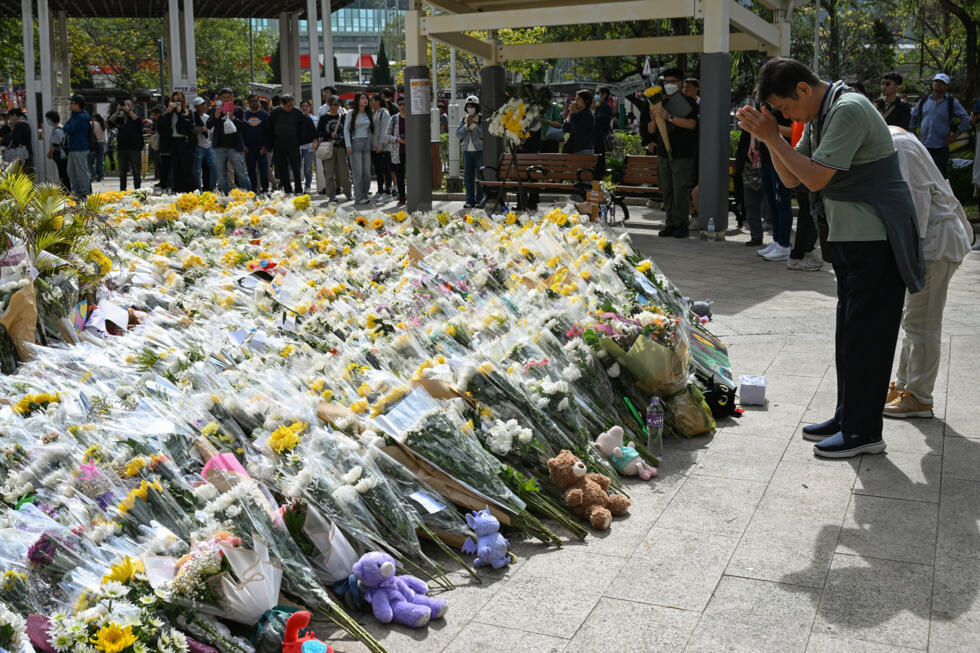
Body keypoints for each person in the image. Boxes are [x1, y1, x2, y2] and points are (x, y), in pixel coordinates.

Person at [737, 57, 925, 459]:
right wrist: (772, 139)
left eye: (786, 108)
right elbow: (792, 178)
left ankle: (864, 432)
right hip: (851, 241)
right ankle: (847, 417)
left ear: (803, 89)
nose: (786, 116)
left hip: (877, 240)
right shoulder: (822, 114)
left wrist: (774, 137)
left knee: (867, 340)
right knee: (849, 337)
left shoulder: (848, 108)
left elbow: (816, 177)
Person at [883, 125, 973, 418]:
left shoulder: (898, 146)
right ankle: (906, 385)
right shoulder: (896, 141)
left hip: (935, 245)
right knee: (914, 318)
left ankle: (920, 397)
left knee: (923, 321)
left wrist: (904, 258)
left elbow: (915, 207)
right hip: (930, 243)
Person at [652, 67, 699, 238]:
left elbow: (692, 124)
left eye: (672, 82)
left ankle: (682, 225)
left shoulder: (689, 102)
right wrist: (654, 117)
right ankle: (670, 223)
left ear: (680, 83)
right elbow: (652, 130)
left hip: (683, 154)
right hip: (664, 153)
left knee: (680, 190)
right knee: (668, 189)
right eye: (666, 82)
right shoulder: (660, 102)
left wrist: (669, 117)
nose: (668, 85)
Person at [910, 73, 970, 178]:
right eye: (936, 81)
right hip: (923, 145)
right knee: (922, 175)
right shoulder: (924, 101)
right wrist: (914, 134)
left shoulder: (951, 103)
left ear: (946, 86)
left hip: (940, 146)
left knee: (941, 176)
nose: (938, 84)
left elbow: (965, 118)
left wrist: (953, 137)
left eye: (942, 83)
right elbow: (913, 116)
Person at [756, 107, 795, 261]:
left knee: (782, 202)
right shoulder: (765, 103)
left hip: (781, 157)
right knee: (772, 202)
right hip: (766, 157)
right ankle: (777, 240)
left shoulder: (785, 105)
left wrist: (769, 127)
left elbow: (793, 131)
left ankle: (784, 245)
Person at [210, 88, 251, 194]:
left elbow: (245, 127)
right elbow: (208, 125)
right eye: (223, 98)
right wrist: (215, 117)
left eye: (228, 97)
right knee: (222, 174)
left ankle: (248, 195)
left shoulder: (238, 110)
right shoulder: (216, 110)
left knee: (241, 172)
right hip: (219, 147)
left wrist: (234, 118)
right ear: (220, 98)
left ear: (232, 98)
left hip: (235, 147)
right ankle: (226, 196)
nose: (226, 100)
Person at [265, 93, 306, 194]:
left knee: (296, 167)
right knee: (282, 167)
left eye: (292, 105)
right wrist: (269, 145)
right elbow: (269, 129)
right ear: (282, 104)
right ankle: (287, 189)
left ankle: (299, 189)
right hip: (278, 143)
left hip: (293, 141)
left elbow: (304, 126)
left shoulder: (297, 112)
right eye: (288, 106)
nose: (290, 107)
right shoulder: (275, 112)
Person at [158, 90, 196, 192]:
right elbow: (162, 127)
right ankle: (178, 189)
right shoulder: (169, 113)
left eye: (178, 100)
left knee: (186, 167)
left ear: (182, 101)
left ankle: (189, 190)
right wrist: (168, 112)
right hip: (172, 142)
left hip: (184, 142)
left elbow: (189, 126)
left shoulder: (188, 112)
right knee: (176, 167)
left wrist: (180, 113)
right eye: (174, 100)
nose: (176, 102)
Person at [316, 96, 351, 202]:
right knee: (329, 172)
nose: (334, 107)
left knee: (344, 172)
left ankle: (348, 193)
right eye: (331, 104)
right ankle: (331, 195)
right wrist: (329, 134)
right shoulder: (323, 118)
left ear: (339, 105)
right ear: (329, 105)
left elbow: (347, 131)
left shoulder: (343, 117)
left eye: (336, 104)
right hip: (327, 148)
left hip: (340, 147)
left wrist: (341, 138)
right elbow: (319, 132)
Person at [344, 92, 373, 205]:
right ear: (357, 101)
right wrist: (348, 145)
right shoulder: (351, 113)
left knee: (367, 172)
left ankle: (364, 194)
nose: (365, 100)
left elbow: (370, 130)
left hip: (366, 143)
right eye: (362, 98)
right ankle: (358, 196)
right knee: (357, 172)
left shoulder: (369, 112)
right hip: (355, 142)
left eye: (366, 98)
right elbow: (346, 129)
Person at [109, 99, 144, 191]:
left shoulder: (135, 117)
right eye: (125, 104)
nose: (126, 106)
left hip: (134, 148)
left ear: (133, 107)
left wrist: (128, 111)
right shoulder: (121, 118)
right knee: (122, 172)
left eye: (129, 105)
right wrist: (117, 111)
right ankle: (122, 190)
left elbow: (138, 122)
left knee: (136, 171)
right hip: (122, 148)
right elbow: (110, 122)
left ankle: (138, 190)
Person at [456, 95, 484, 209]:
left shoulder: (481, 119)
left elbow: (482, 134)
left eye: (472, 106)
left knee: (480, 177)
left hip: (479, 151)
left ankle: (480, 200)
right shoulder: (463, 119)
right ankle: (469, 200)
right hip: (467, 151)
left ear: (477, 107)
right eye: (468, 106)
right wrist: (467, 125)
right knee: (468, 177)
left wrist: (474, 125)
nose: (470, 107)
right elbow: (458, 134)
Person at [63, 95, 92, 197]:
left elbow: (68, 128)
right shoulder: (75, 115)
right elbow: (66, 126)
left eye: (72, 103)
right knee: (71, 171)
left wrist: (67, 125)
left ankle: (84, 193)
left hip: (80, 147)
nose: (70, 105)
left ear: (78, 105)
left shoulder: (81, 117)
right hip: (74, 147)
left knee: (81, 172)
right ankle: (78, 192)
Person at [243, 94, 270, 194]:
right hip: (248, 148)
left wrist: (266, 146)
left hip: (261, 147)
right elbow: (241, 131)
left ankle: (265, 190)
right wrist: (243, 145)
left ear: (259, 102)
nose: (254, 103)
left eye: (256, 101)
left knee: (263, 170)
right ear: (248, 103)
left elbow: (268, 132)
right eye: (252, 101)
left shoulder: (264, 115)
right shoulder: (245, 115)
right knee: (250, 170)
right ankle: (253, 189)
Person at [384, 96, 407, 206]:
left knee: (413, 175)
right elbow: (387, 136)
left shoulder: (413, 118)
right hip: (397, 152)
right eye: (400, 104)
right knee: (400, 176)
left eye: (405, 104)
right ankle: (402, 197)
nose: (402, 106)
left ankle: (413, 195)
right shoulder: (393, 119)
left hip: (412, 152)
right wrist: (397, 139)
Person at [191, 97, 217, 192]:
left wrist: (212, 143)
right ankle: (198, 190)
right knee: (197, 170)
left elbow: (212, 132)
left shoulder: (207, 118)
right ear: (196, 107)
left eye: (204, 104)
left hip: (208, 146)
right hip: (198, 146)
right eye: (201, 105)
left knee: (213, 167)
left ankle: (212, 187)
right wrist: (201, 130)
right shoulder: (193, 118)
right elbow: (194, 131)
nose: (204, 106)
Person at [369, 94, 392, 199]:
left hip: (383, 148)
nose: (370, 103)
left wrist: (381, 144)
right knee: (378, 171)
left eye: (371, 101)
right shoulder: (374, 113)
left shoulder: (384, 113)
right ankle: (380, 191)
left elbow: (385, 130)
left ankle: (388, 191)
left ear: (378, 101)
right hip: (374, 147)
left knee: (386, 170)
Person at [563, 89, 596, 155]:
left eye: (578, 99)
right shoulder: (576, 113)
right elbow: (565, 128)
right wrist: (570, 114)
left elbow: (576, 129)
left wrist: (572, 114)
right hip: (574, 149)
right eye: (575, 99)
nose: (575, 102)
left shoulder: (588, 115)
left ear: (586, 101)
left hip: (584, 150)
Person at [45, 111, 70, 191]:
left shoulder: (57, 130)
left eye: (48, 119)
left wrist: (49, 153)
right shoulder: (61, 128)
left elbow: (55, 145)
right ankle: (66, 189)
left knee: (62, 174)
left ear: (52, 119)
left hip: (60, 155)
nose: (47, 121)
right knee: (63, 173)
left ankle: (66, 190)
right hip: (63, 155)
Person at [3, 108, 33, 174]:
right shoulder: (26, 124)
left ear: (15, 115)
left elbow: (16, 140)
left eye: (10, 117)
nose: (10, 119)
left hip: (21, 155)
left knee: (21, 175)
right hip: (27, 153)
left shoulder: (19, 125)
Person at [299, 99, 317, 193]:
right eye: (303, 106)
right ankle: (298, 186)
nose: (304, 108)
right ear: (300, 108)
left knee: (308, 168)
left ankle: (307, 186)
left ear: (309, 108)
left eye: (306, 106)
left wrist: (315, 144)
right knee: (297, 167)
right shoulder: (296, 119)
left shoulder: (314, 119)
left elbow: (316, 134)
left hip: (310, 147)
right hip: (298, 147)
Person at [593, 86, 613, 156]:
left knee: (600, 159)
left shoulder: (606, 107)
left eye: (598, 93)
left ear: (604, 95)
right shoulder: (599, 106)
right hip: (595, 137)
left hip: (600, 138)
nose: (596, 95)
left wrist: (593, 110)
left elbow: (597, 121)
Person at [88, 113, 106, 182]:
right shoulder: (102, 124)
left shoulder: (91, 123)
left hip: (93, 144)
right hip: (101, 143)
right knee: (100, 161)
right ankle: (100, 176)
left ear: (94, 118)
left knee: (90, 162)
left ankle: (94, 174)